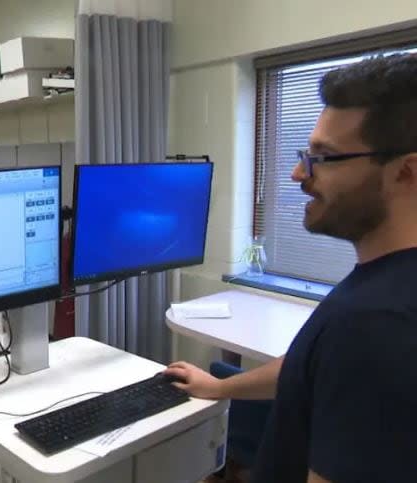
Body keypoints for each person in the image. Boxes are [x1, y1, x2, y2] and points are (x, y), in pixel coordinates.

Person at [165, 54, 417, 483]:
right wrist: (220, 387)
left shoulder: (376, 324)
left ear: (406, 171)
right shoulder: (381, 292)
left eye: (325, 157)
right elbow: (311, 367)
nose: (299, 172)